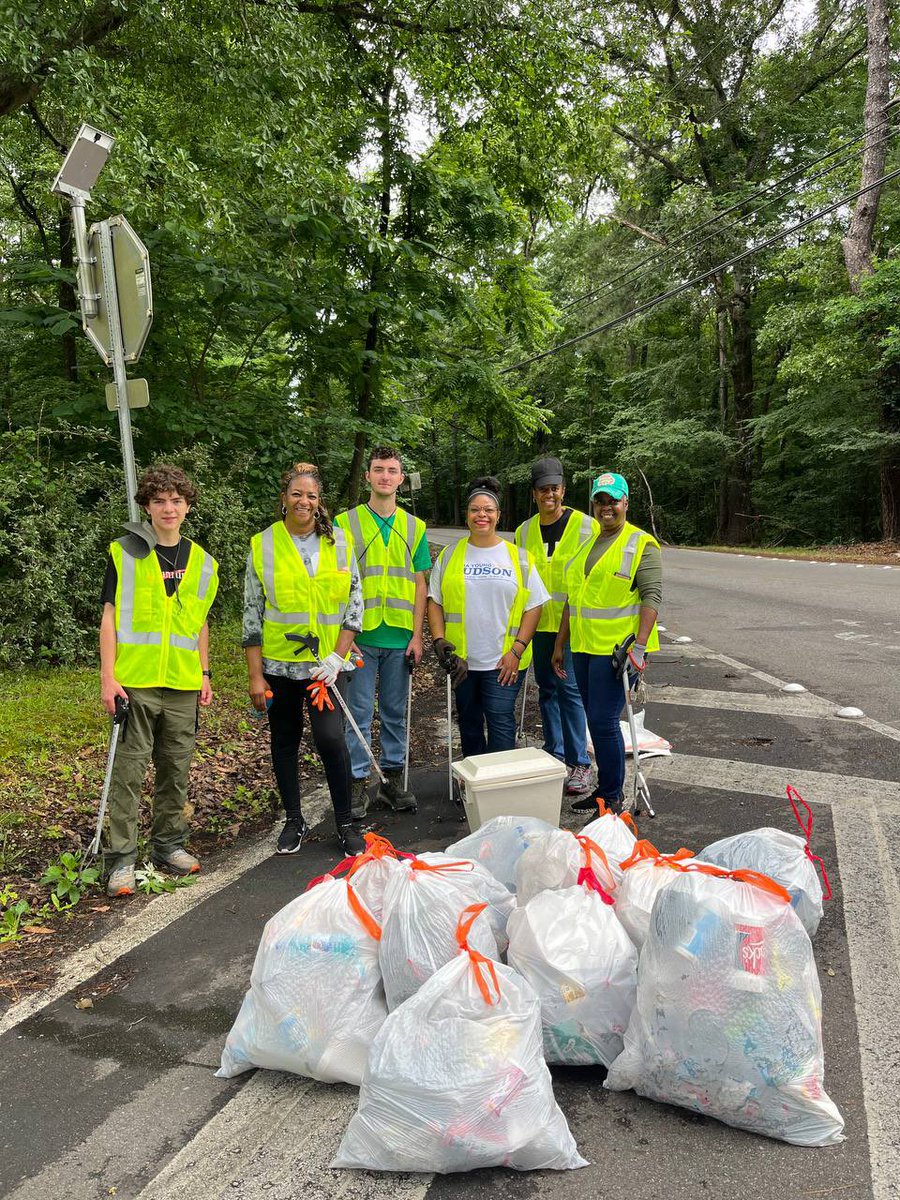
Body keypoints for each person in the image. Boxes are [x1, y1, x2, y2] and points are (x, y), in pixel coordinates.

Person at [99, 465, 219, 898]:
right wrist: (108, 677)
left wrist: (204, 673)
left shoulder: (205, 563)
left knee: (175, 770)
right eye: (159, 501)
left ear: (188, 506)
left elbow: (199, 624)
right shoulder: (123, 553)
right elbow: (110, 618)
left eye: (176, 500)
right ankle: (122, 861)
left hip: (184, 684)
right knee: (129, 772)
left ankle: (169, 845)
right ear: (146, 506)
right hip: (135, 683)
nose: (168, 508)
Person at [243, 463, 365, 858]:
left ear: (319, 502)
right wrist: (255, 676)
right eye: (297, 494)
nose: (304, 501)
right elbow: (251, 617)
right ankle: (293, 819)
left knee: (331, 739)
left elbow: (354, 608)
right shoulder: (262, 545)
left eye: (311, 495)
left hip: (326, 669)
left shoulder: (340, 543)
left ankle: (345, 822)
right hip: (279, 667)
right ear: (283, 499)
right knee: (285, 740)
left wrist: (336, 656)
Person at [553, 470, 661, 815]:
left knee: (602, 720)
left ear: (625, 502)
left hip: (617, 652)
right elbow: (575, 599)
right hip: (584, 648)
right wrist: (560, 644)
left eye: (612, 501)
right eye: (600, 502)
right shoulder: (588, 543)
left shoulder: (640, 544)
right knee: (595, 720)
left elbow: (652, 597)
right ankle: (606, 789)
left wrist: (640, 649)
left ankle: (612, 796)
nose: (606, 507)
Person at [335, 447, 429, 818]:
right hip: (360, 635)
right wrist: (345, 634)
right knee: (357, 712)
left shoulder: (414, 527)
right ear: (368, 477)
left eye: (392, 471)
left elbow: (420, 583)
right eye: (378, 470)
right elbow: (336, 581)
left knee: (394, 711)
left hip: (400, 636)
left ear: (401, 478)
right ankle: (358, 783)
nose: (385, 476)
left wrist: (417, 635)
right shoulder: (346, 523)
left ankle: (392, 781)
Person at [428, 475, 548, 756]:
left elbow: (535, 605)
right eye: (475, 510)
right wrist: (439, 641)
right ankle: (473, 787)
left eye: (488, 510)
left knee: (501, 723)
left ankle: (499, 788)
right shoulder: (449, 555)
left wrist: (517, 650)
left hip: (503, 662)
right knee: (469, 723)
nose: (481, 515)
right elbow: (435, 601)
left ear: (498, 516)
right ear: (467, 515)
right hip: (463, 662)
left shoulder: (518, 557)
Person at [514, 456, 598, 795]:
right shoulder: (523, 532)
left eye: (555, 488)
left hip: (573, 626)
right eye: (543, 490)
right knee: (546, 690)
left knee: (570, 690)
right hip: (539, 626)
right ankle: (557, 753)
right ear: (534, 494)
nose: (550, 495)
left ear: (563, 490)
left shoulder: (585, 527)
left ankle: (580, 762)